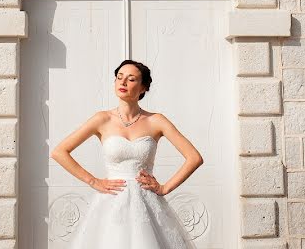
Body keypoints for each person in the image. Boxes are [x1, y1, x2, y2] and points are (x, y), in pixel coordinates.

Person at [50, 59, 204, 248]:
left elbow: (194, 158)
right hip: (112, 202)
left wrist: (164, 188)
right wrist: (94, 181)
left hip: (147, 204)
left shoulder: (157, 121)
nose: (122, 83)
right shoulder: (102, 119)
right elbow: (59, 152)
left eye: (131, 79)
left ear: (143, 88)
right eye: (119, 77)